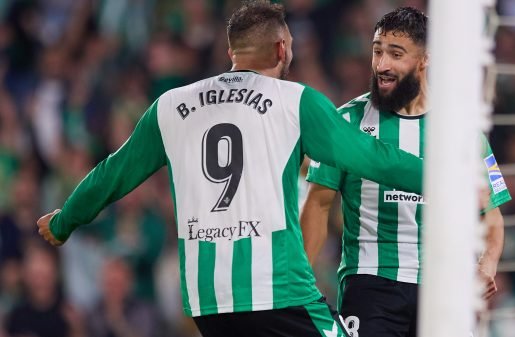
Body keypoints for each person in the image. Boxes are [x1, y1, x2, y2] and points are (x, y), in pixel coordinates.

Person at [36, 2, 427, 336]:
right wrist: (445, 176)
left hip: (208, 302)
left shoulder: (171, 106)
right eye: (289, 46)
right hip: (276, 291)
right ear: (280, 49)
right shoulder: (296, 101)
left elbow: (111, 174)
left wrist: (63, 220)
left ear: (231, 52)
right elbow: (373, 158)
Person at [301, 7, 512, 337]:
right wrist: (299, 282)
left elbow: (491, 215)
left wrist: (487, 263)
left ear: (425, 59)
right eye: (377, 51)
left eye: (395, 54)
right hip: (370, 283)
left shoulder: (461, 128)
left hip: (443, 285)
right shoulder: (345, 123)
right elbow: (318, 204)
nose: (382, 65)